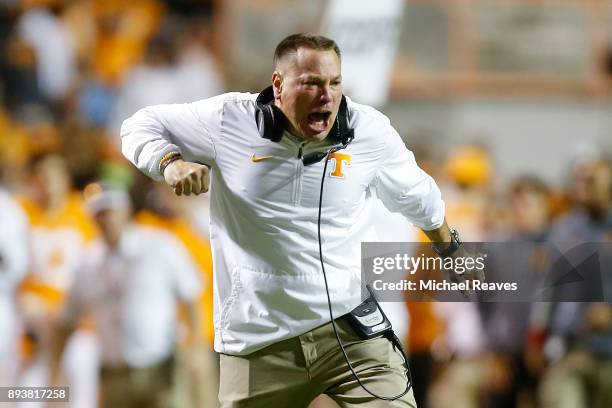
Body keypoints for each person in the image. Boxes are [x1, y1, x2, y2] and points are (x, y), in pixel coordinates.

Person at [121, 33, 480, 407]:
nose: (326, 95)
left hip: (349, 331)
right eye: (311, 82)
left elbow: (418, 195)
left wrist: (451, 249)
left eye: (334, 83)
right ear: (278, 85)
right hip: (260, 339)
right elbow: (138, 125)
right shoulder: (228, 120)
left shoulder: (368, 131)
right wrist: (169, 162)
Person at [49, 184, 204, 408]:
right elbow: (66, 321)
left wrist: (196, 348)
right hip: (113, 374)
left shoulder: (159, 245)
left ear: (125, 210)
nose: (105, 219)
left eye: (110, 211)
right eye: (99, 213)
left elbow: (191, 297)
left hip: (160, 367)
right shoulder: (86, 264)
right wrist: (54, 371)